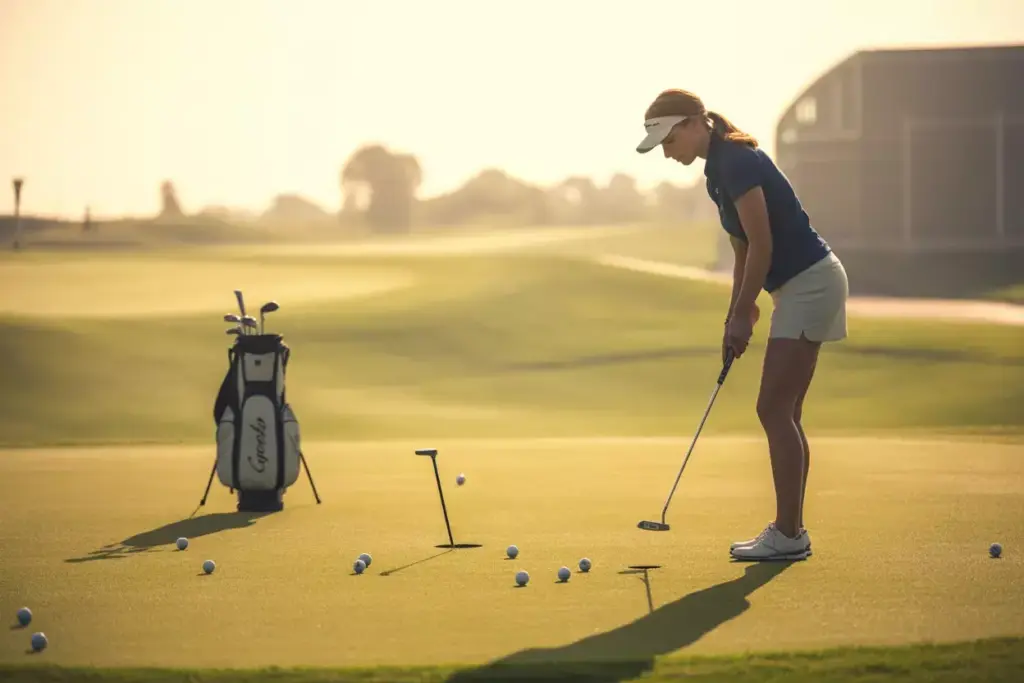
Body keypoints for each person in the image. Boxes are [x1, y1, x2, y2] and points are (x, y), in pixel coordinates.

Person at [636, 89, 849, 561]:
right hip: (800, 285)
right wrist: (738, 311)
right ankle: (792, 532)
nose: (667, 153)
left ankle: (789, 535)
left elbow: (763, 243)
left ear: (694, 124)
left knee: (773, 408)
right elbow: (741, 251)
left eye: (669, 141)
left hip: (810, 283)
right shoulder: (717, 171)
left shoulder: (734, 161)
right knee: (783, 411)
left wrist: (744, 311)